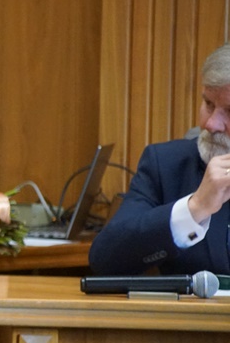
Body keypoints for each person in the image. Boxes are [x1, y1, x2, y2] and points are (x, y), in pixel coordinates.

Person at [89, 43, 230, 275]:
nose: (210, 124)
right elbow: (105, 260)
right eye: (208, 104)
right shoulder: (166, 165)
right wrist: (194, 208)